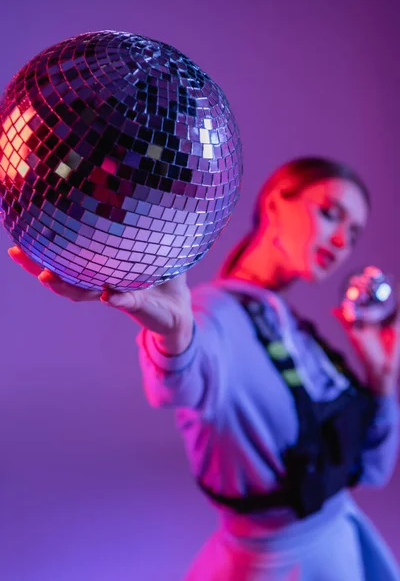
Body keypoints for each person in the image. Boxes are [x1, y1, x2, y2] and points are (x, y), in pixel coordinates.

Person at [9, 156, 400, 580]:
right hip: (280, 565)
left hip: (343, 541)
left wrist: (381, 378)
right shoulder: (211, 315)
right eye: (329, 213)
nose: (342, 241)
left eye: (354, 233)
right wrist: (175, 336)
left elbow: (374, 470)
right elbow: (181, 379)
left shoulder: (290, 324)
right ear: (274, 204)